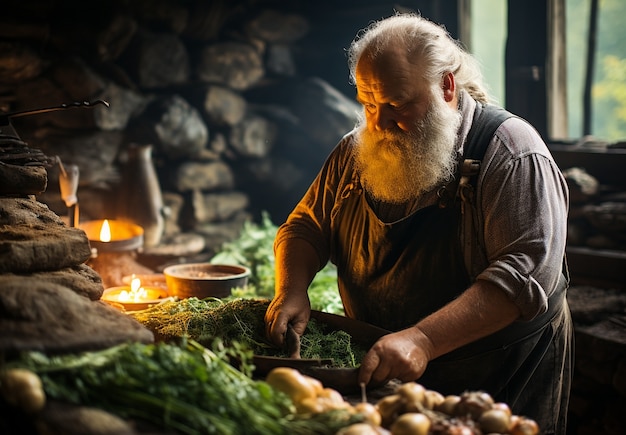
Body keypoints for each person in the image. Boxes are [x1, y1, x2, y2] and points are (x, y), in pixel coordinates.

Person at [264, 13, 572, 434]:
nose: (380, 123)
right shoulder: (354, 153)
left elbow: (522, 279)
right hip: (388, 371)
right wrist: (291, 289)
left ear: (447, 86)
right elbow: (304, 228)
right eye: (369, 105)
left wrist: (424, 339)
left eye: (397, 104)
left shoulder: (512, 153)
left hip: (498, 376)